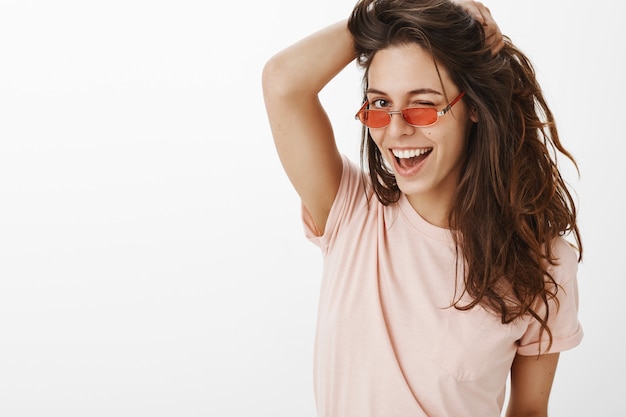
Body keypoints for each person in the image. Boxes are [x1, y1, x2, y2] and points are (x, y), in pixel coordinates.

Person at [262, 0, 583, 416]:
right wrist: (391, 9)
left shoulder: (545, 263)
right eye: (380, 104)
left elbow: (529, 410)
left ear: (471, 107)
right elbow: (282, 82)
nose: (397, 129)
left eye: (423, 103)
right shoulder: (351, 213)